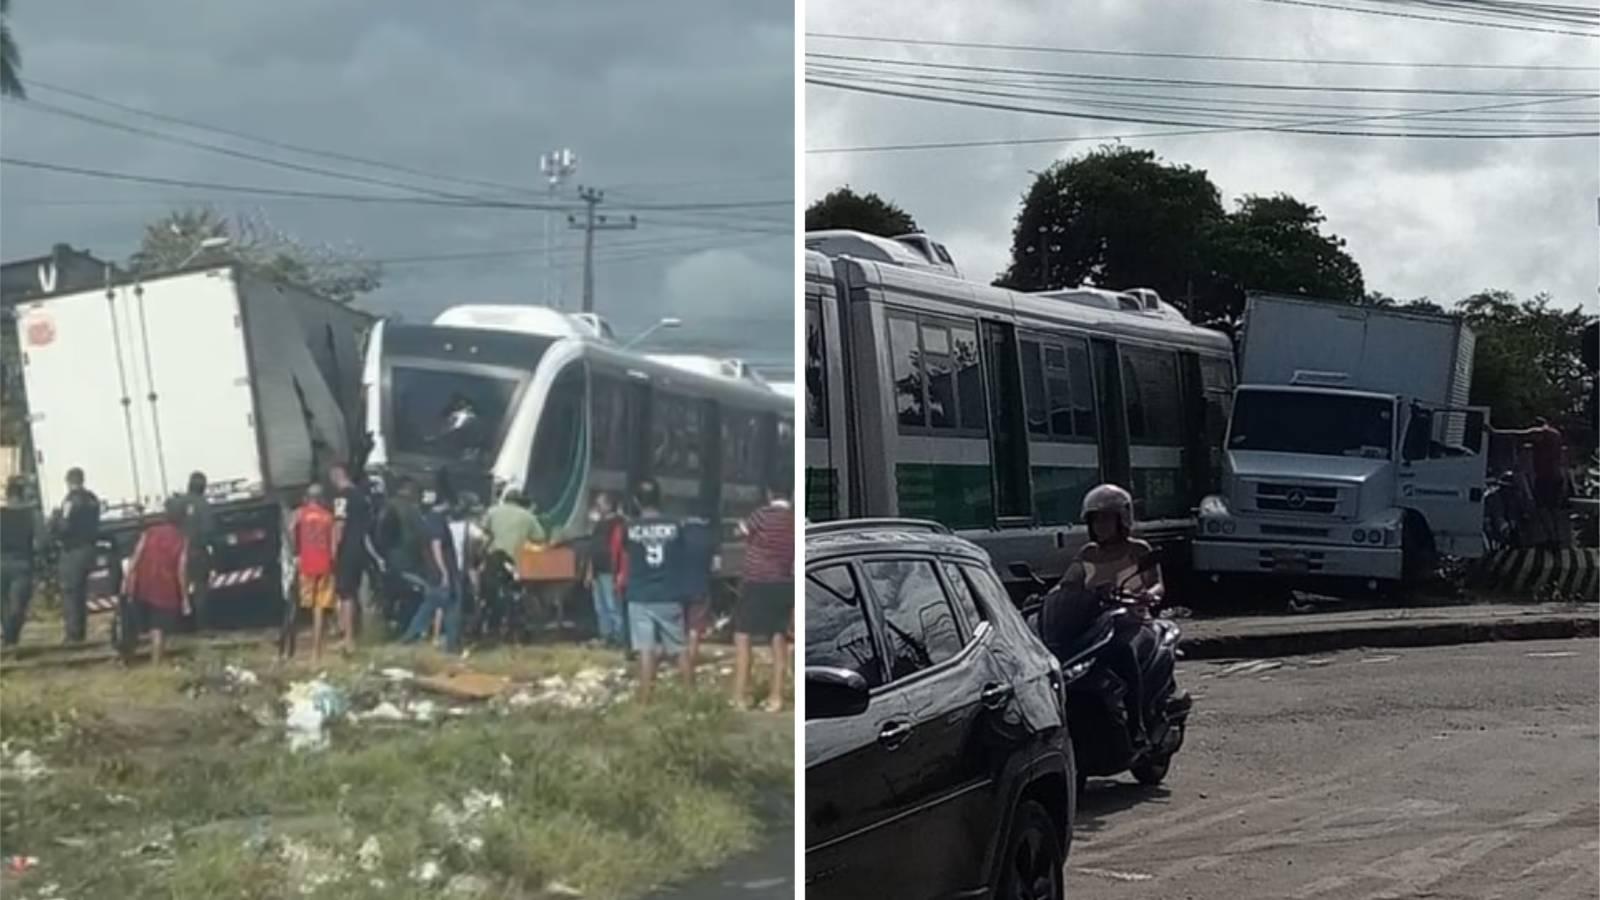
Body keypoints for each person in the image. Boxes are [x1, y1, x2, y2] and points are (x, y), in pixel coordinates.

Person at [1051, 484, 1163, 749]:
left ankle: (1137, 725)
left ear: (1121, 519)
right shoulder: (1087, 553)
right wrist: (1048, 598)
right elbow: (1067, 584)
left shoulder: (1138, 550)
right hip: (1096, 624)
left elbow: (1157, 583)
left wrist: (1149, 595)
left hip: (1133, 622)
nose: (1100, 525)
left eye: (1106, 518)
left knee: (1123, 652)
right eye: (1095, 519)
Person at [618, 479, 690, 701]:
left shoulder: (629, 528)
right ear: (661, 499)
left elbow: (626, 552)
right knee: (679, 649)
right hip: (669, 593)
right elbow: (681, 554)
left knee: (645, 649)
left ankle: (645, 697)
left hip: (640, 595)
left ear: (637, 501)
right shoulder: (675, 525)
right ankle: (690, 694)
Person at [733, 483, 795, 712]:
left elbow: (741, 531)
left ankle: (740, 697)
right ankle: (776, 697)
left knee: (743, 637)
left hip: (756, 583)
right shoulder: (793, 519)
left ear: (770, 494)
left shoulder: (762, 515)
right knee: (778, 641)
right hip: (784, 584)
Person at [122, 496, 190, 665]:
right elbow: (181, 570)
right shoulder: (182, 540)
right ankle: (156, 663)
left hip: (144, 585)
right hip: (165, 589)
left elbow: (135, 558)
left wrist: (127, 581)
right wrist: (185, 599)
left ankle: (131, 659)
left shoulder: (149, 532)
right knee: (158, 628)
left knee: (141, 626)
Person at [402, 472, 462, 653]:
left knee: (431, 606)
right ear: (446, 504)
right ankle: (450, 645)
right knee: (448, 607)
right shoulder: (437, 519)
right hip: (441, 571)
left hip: (433, 570)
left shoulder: (428, 518)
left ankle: (410, 638)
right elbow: (436, 545)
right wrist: (444, 571)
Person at [480, 488, 543, 641]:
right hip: (514, 563)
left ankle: (490, 628)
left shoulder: (493, 511)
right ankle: (512, 629)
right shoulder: (528, 516)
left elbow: (484, 531)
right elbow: (540, 537)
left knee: (490, 596)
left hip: (493, 560)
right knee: (514, 597)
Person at [330, 464, 377, 654]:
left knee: (345, 593)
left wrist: (333, 551)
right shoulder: (361, 497)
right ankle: (354, 633)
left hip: (347, 550)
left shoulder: (341, 497)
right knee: (353, 592)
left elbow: (339, 525)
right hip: (360, 548)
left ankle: (348, 639)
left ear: (336, 476)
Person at [50, 467, 101, 644]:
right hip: (89, 548)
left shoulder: (70, 501)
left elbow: (64, 526)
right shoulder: (93, 499)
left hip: (73, 551)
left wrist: (55, 521)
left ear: (69, 482)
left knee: (71, 592)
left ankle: (74, 634)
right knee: (81, 592)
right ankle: (81, 631)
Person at [291, 484, 339, 662]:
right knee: (320, 608)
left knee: (307, 606)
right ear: (321, 498)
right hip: (324, 564)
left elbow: (290, 530)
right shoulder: (328, 517)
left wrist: (296, 551)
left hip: (306, 564)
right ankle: (316, 653)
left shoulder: (299, 514)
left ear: (306, 498)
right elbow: (334, 547)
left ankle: (300, 647)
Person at [376, 477, 429, 630]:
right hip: (407, 559)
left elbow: (379, 533)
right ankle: (409, 624)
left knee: (393, 592)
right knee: (414, 592)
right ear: (411, 490)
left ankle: (391, 620)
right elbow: (421, 536)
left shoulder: (387, 505)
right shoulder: (412, 510)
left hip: (390, 557)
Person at [585, 491, 627, 648]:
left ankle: (618, 637)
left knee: (613, 605)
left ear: (609, 505)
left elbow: (622, 549)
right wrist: (589, 571)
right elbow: (592, 548)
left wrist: (620, 572)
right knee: (600, 606)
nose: (597, 506)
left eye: (600, 503)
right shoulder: (598, 524)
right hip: (597, 569)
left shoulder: (619, 523)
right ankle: (605, 635)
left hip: (611, 570)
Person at [679, 513, 717, 676]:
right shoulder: (709, 537)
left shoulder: (679, 535)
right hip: (700, 586)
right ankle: (691, 661)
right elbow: (716, 567)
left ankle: (679, 660)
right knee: (695, 627)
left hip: (679, 586)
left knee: (679, 626)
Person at [1, 477, 37, 647]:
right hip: (22, 564)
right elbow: (42, 542)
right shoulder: (31, 515)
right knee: (17, 606)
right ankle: (11, 638)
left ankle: (9, 640)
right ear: (22, 494)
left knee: (4, 606)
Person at [181, 471, 216, 628]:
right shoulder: (204, 505)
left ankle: (180, 621)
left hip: (179, 552)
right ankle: (201, 624)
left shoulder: (179, 503)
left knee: (180, 586)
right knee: (201, 588)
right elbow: (209, 530)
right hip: (198, 552)